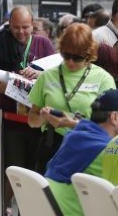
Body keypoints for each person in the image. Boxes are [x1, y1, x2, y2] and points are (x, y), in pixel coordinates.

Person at [0, 5, 55, 216]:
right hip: (12, 119)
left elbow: (55, 77)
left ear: (33, 26)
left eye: (25, 27)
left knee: (36, 173)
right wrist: (16, 82)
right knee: (14, 172)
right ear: (9, 25)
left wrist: (38, 75)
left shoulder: (43, 44)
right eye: (16, 27)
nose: (21, 32)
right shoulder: (1, 44)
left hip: (37, 120)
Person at [27, 23, 116, 165]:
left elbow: (112, 127)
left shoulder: (103, 79)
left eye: (77, 57)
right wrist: (43, 118)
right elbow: (32, 118)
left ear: (89, 53)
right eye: (66, 55)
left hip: (90, 150)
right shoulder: (47, 76)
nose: (71, 62)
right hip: (53, 147)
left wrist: (73, 124)